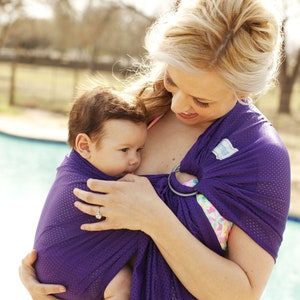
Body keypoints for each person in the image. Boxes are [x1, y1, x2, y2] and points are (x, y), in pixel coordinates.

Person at [19, 0, 291, 299]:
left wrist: (155, 219)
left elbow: (242, 294)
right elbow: (69, 192)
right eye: (172, 81)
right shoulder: (137, 111)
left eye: (201, 101)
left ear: (243, 89)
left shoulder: (260, 156)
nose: (177, 105)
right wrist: (41, 273)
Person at [32, 84, 148, 300]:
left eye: (139, 149)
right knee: (122, 285)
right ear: (85, 146)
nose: (135, 159)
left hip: (50, 264)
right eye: (125, 150)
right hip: (64, 269)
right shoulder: (90, 185)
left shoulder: (72, 166)